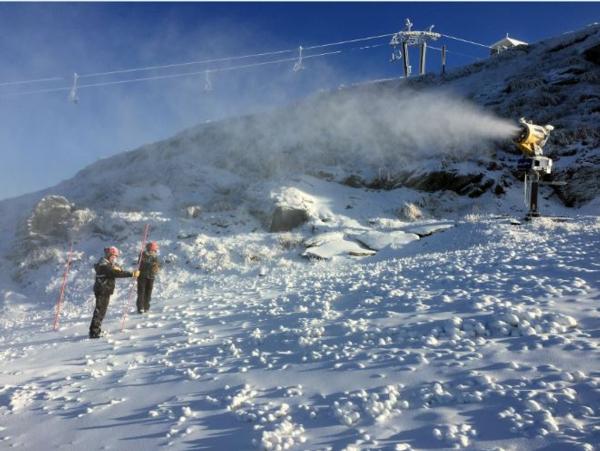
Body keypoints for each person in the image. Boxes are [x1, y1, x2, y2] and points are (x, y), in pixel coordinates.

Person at [89, 246, 139, 339]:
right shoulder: (103, 265)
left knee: (102, 311)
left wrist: (118, 268)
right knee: (99, 311)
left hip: (105, 290)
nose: (114, 258)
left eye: (115, 257)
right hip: (102, 290)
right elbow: (114, 273)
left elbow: (116, 270)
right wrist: (131, 274)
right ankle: (94, 332)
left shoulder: (106, 264)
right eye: (113, 256)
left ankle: (96, 330)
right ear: (108, 255)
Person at [136, 241, 161, 314]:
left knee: (148, 292)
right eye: (151, 250)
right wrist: (151, 265)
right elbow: (141, 264)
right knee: (141, 292)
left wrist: (156, 267)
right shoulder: (143, 255)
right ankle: (140, 307)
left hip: (151, 276)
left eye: (154, 250)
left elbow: (157, 265)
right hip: (142, 276)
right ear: (148, 249)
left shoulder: (155, 257)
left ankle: (146, 307)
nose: (152, 252)